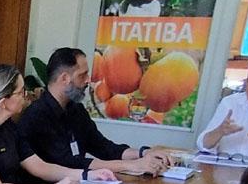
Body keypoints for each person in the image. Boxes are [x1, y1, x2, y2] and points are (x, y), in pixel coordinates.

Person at [0, 64, 117, 184]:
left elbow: (38, 166)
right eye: (20, 92)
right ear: (4, 102)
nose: (25, 96)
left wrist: (87, 175)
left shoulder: (8, 125)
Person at [16, 48, 171, 176]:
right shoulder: (37, 116)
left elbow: (103, 147)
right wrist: (132, 166)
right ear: (64, 78)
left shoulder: (76, 110)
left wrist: (144, 153)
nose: (88, 80)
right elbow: (69, 162)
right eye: (82, 75)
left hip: (80, 183)